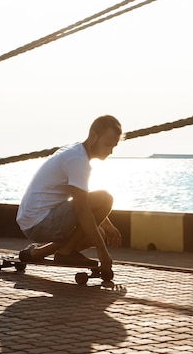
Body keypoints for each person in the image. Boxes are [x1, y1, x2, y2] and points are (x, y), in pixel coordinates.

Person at [16, 115, 123, 273]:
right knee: (105, 199)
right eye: (107, 144)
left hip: (31, 220)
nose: (110, 151)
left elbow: (82, 199)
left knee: (97, 232)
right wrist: (102, 251)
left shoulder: (74, 152)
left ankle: (36, 253)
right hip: (40, 221)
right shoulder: (77, 160)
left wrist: (108, 226)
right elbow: (82, 208)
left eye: (113, 146)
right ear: (93, 136)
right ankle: (65, 252)